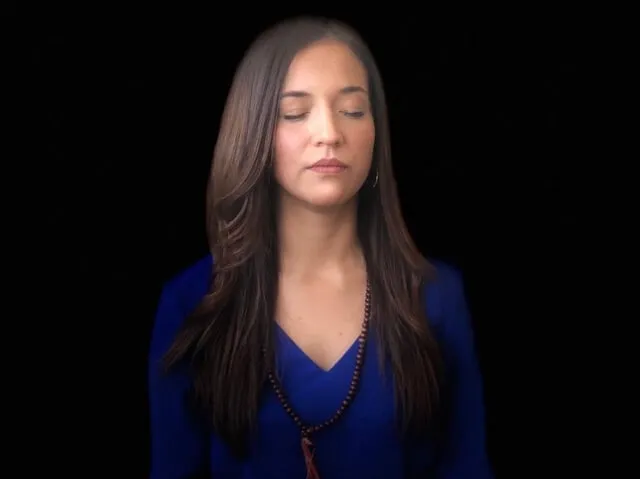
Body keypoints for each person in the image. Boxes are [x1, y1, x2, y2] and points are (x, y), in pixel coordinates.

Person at [148, 16, 493, 479]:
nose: (329, 133)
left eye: (352, 110)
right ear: (253, 133)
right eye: (295, 113)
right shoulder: (194, 303)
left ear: (376, 131)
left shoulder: (436, 297)